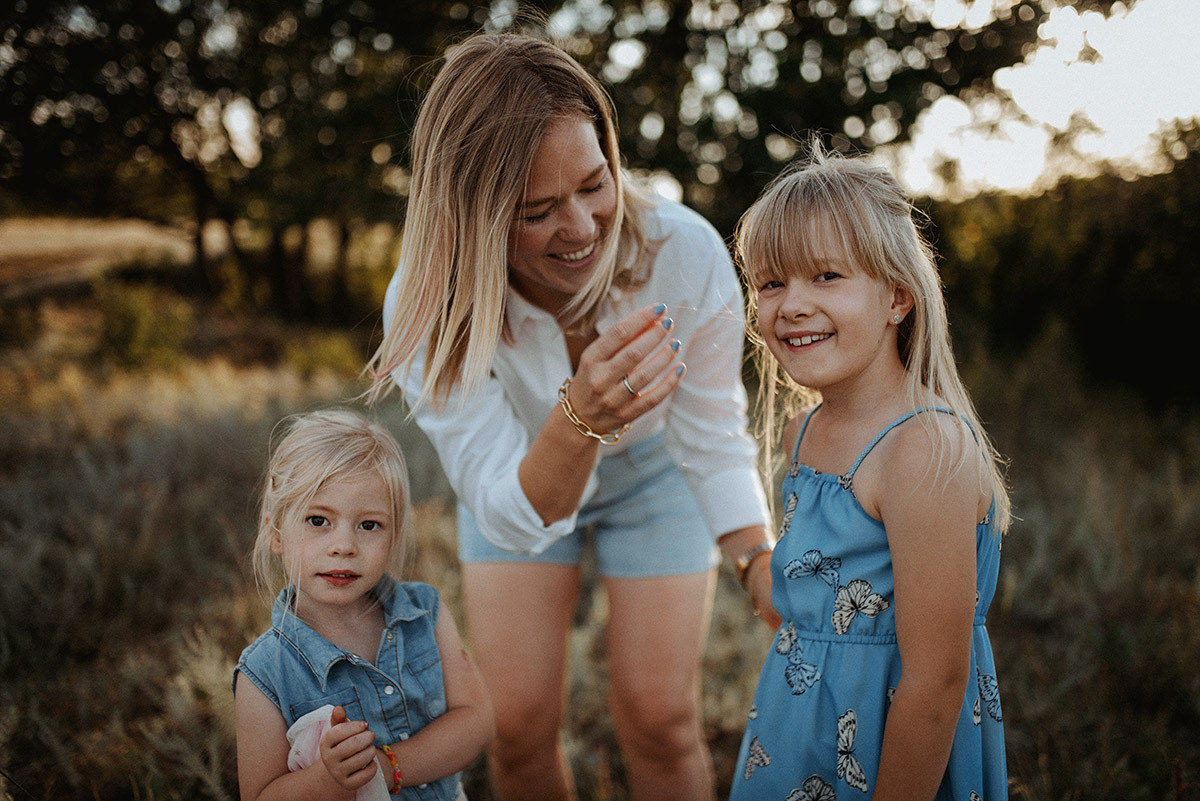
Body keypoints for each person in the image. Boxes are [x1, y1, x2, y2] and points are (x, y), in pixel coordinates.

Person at [365, 31, 776, 801]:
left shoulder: (684, 252)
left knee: (660, 719)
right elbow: (507, 510)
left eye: (594, 183)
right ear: (475, 216)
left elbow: (713, 436)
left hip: (655, 471)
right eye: (538, 210)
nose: (584, 227)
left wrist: (757, 559)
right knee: (517, 725)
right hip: (520, 475)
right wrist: (579, 418)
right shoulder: (429, 307)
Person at [728, 142, 1010, 800]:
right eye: (772, 283)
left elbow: (936, 681)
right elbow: (811, 604)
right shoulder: (803, 434)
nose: (792, 304)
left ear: (897, 298)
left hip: (894, 754)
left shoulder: (923, 448)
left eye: (826, 276)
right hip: (794, 734)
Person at [232, 409, 494, 801]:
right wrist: (328, 780)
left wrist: (386, 767)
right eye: (318, 520)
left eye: (369, 525)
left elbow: (476, 721)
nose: (344, 546)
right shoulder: (264, 673)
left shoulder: (426, 613)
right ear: (276, 534)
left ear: (394, 534)